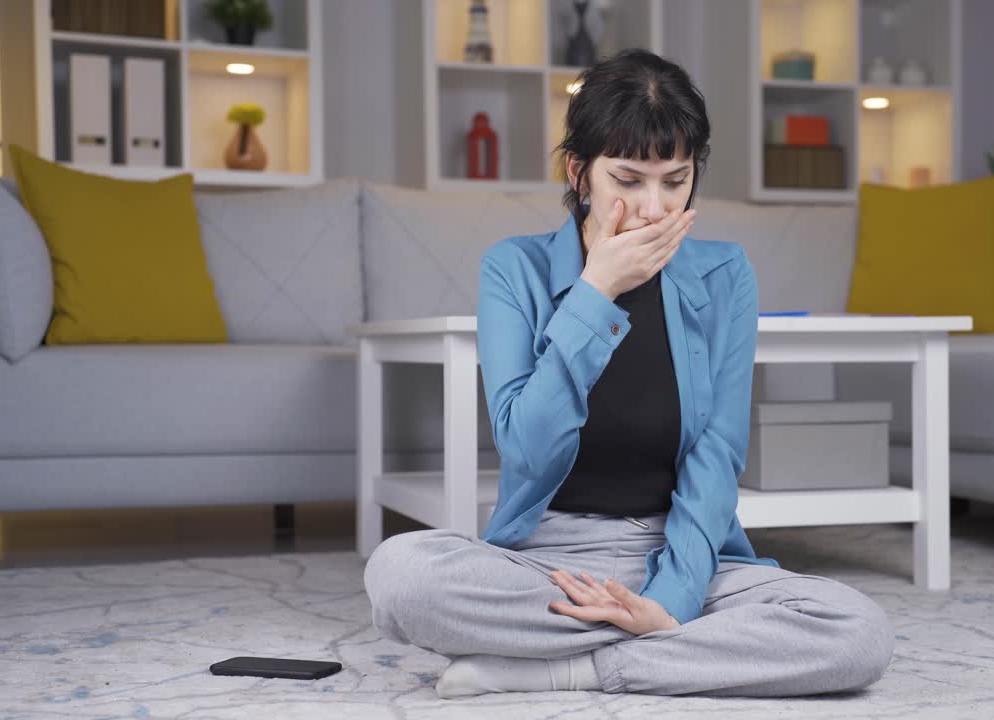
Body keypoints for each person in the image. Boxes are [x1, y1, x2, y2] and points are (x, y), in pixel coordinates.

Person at [364, 48, 894, 699]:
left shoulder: (725, 274)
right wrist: (595, 293)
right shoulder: (514, 269)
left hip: (684, 554)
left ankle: (568, 668)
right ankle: (669, 654)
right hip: (549, 560)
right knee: (401, 574)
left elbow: (717, 453)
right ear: (579, 173)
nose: (654, 208)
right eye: (629, 180)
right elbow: (525, 449)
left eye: (675, 181)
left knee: (858, 632)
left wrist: (671, 600)